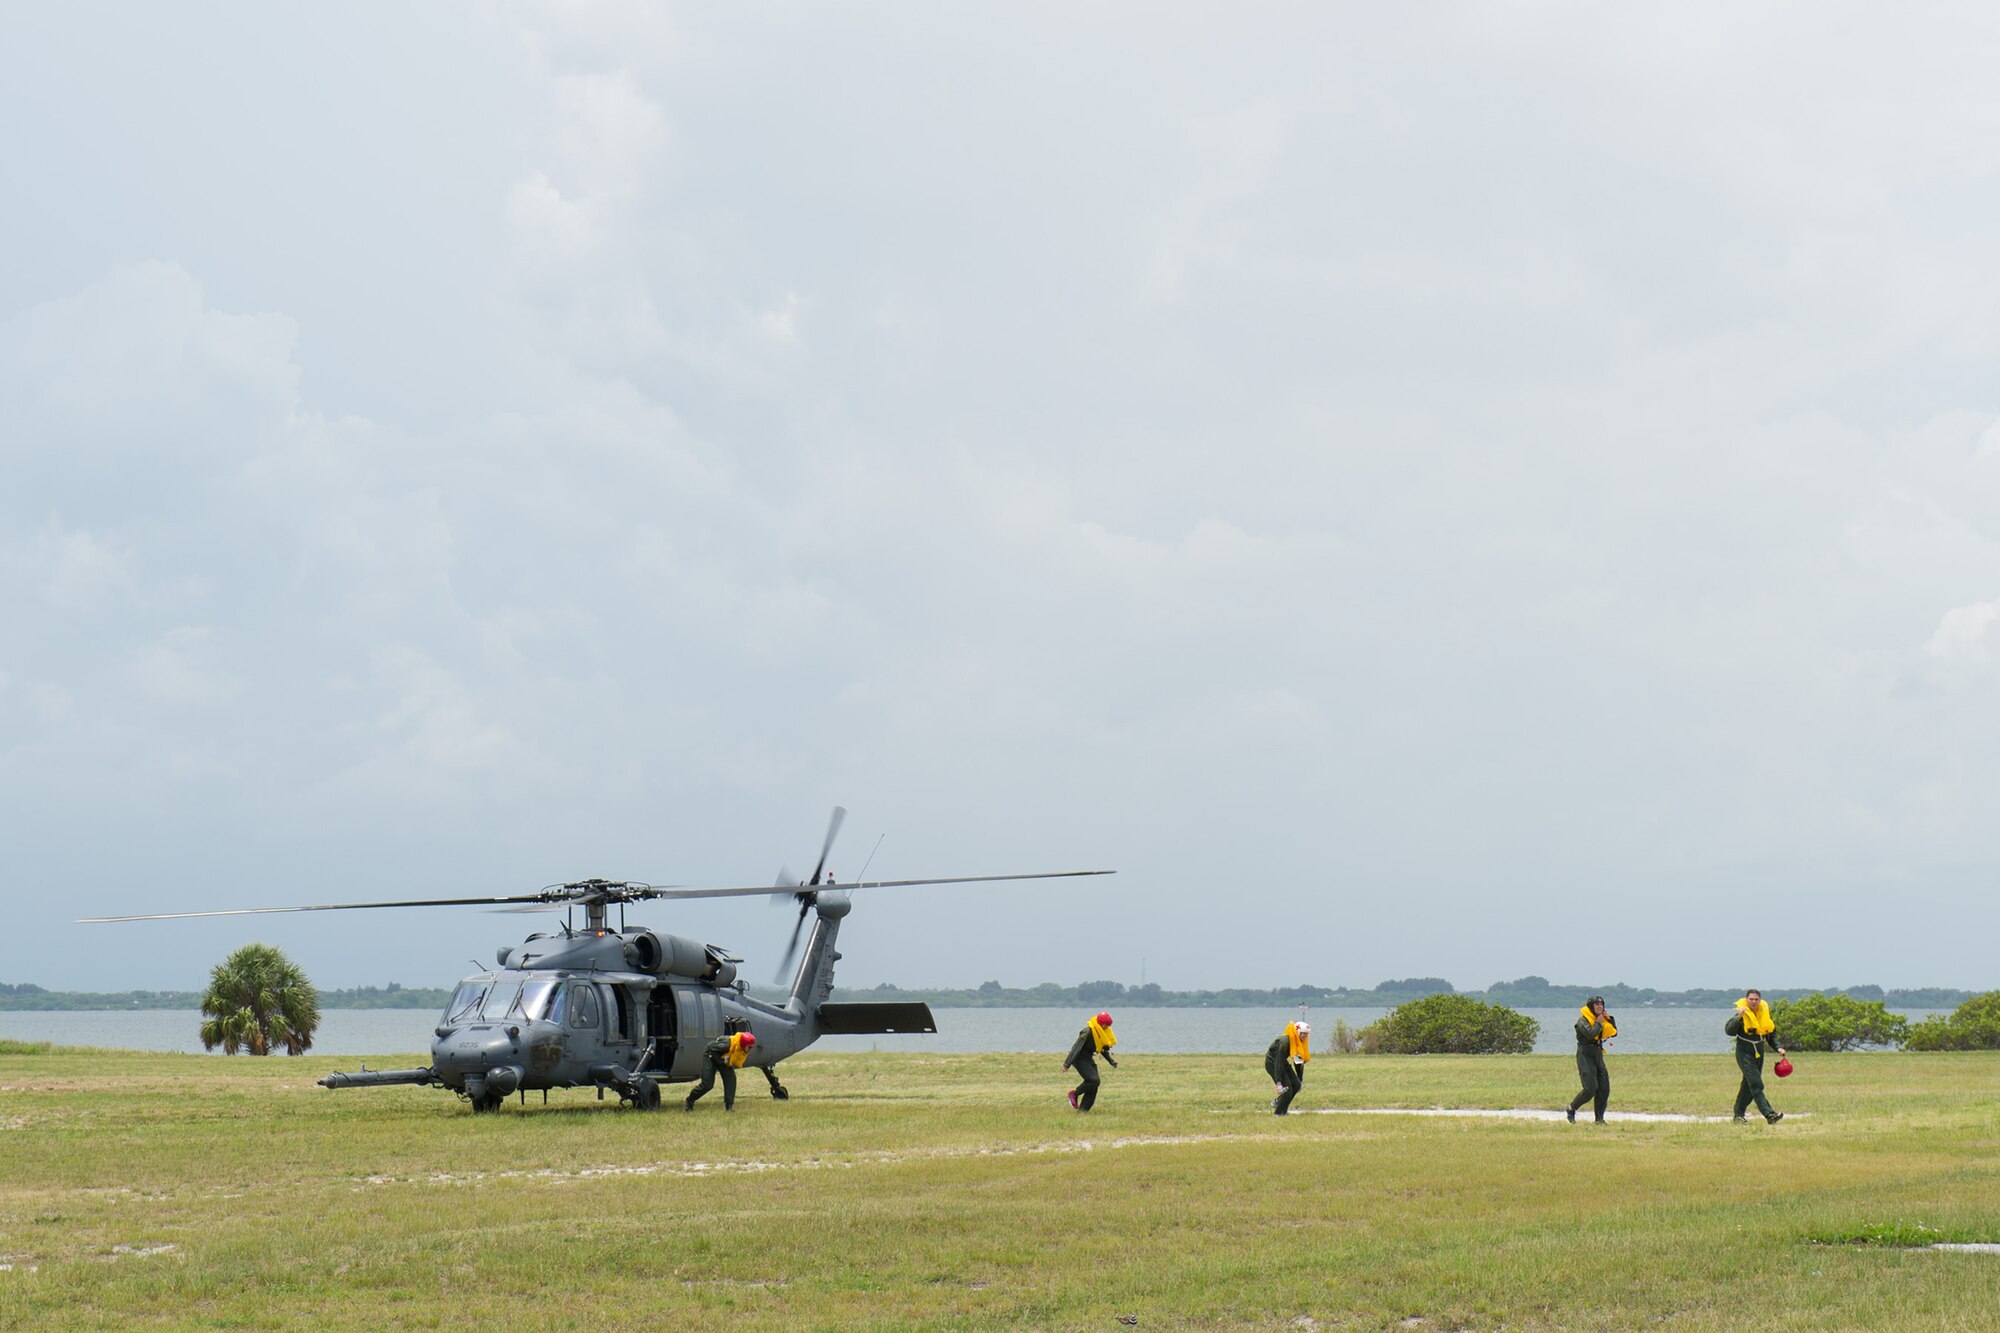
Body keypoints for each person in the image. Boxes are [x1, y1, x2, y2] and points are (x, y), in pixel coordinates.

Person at [1725, 989, 1787, 1124]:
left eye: (1756, 999)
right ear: (1746, 1000)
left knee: (1748, 1085)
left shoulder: (1764, 1014)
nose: (1753, 1002)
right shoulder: (1741, 1014)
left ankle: (1738, 1115)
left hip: (1759, 1053)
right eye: (1751, 999)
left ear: (1760, 1000)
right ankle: (1769, 1114)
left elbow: (1771, 1035)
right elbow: (1729, 1031)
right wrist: (1738, 1017)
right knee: (1756, 1083)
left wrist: (1778, 1047)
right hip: (1744, 1052)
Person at [1566, 996, 1616, 1123]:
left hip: (1597, 1054)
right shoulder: (1582, 1021)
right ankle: (1571, 1108)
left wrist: (1609, 1020)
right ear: (1590, 1007)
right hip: (1585, 1055)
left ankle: (1599, 1119)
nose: (1600, 1006)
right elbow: (1590, 1034)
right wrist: (1599, 1022)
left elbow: (1614, 1033)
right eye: (1596, 1004)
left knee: (1604, 1088)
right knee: (1590, 1088)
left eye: (1601, 1004)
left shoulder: (1601, 1019)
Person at [685, 1030, 756, 1112]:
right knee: (707, 1084)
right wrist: (722, 1062)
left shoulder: (740, 1049)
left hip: (722, 1058)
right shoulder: (727, 1045)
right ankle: (690, 1100)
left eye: (752, 1047)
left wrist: (725, 1062)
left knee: (731, 1080)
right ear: (744, 1044)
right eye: (749, 1047)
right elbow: (710, 1049)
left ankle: (729, 1106)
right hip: (710, 1056)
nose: (751, 1050)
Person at [1062, 1011, 1118, 1111]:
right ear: (1101, 1024)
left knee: (1094, 1084)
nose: (1107, 1027)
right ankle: (1074, 1094)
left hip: (1088, 1058)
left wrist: (1111, 1061)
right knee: (1094, 1080)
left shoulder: (1101, 1033)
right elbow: (1076, 1048)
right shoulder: (1087, 1032)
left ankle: (1083, 1110)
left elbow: (1103, 1049)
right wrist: (1067, 1064)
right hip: (1079, 1058)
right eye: (1106, 1025)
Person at [1265, 1020, 1311, 1115]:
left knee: (1296, 1085)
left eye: (1307, 1035)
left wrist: (1299, 1080)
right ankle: (1278, 1114)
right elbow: (1279, 1061)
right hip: (1273, 1062)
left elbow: (1298, 1062)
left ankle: (1279, 1103)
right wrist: (1278, 1083)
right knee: (1287, 1088)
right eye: (1304, 1034)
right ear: (1298, 1033)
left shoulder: (1298, 1043)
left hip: (1281, 1062)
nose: (1305, 1037)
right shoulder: (1285, 1042)